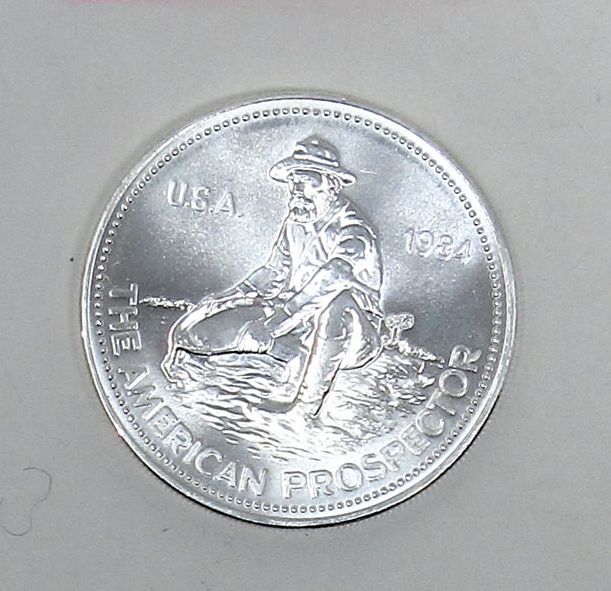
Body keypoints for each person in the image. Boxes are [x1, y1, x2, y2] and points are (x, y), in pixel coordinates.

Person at [162, 136, 384, 417]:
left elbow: (335, 275)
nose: (296, 189)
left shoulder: (354, 229)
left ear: (331, 184)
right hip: (294, 322)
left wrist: (276, 324)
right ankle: (292, 355)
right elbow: (273, 272)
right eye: (293, 181)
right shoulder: (295, 222)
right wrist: (227, 298)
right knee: (197, 335)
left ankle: (305, 407)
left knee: (336, 302)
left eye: (305, 180)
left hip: (352, 333)